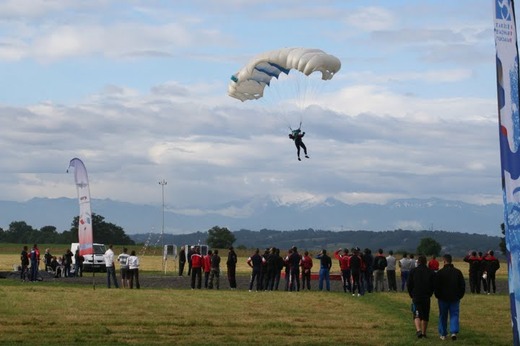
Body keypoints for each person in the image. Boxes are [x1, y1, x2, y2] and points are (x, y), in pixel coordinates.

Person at [434, 254, 466, 341]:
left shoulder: (440, 273)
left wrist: (437, 295)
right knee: (454, 314)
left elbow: (436, 286)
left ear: (444, 261)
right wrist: (460, 295)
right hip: (455, 297)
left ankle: (443, 333)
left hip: (443, 298)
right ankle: (453, 332)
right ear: (451, 261)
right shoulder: (458, 272)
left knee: (443, 316)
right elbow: (462, 285)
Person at [407, 255, 435, 339]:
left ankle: (418, 330)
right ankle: (424, 332)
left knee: (416, 313)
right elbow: (433, 285)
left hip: (416, 295)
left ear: (418, 262)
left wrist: (411, 294)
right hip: (426, 296)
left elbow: (409, 284)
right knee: (425, 314)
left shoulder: (413, 271)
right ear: (426, 262)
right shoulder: (430, 272)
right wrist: (430, 293)